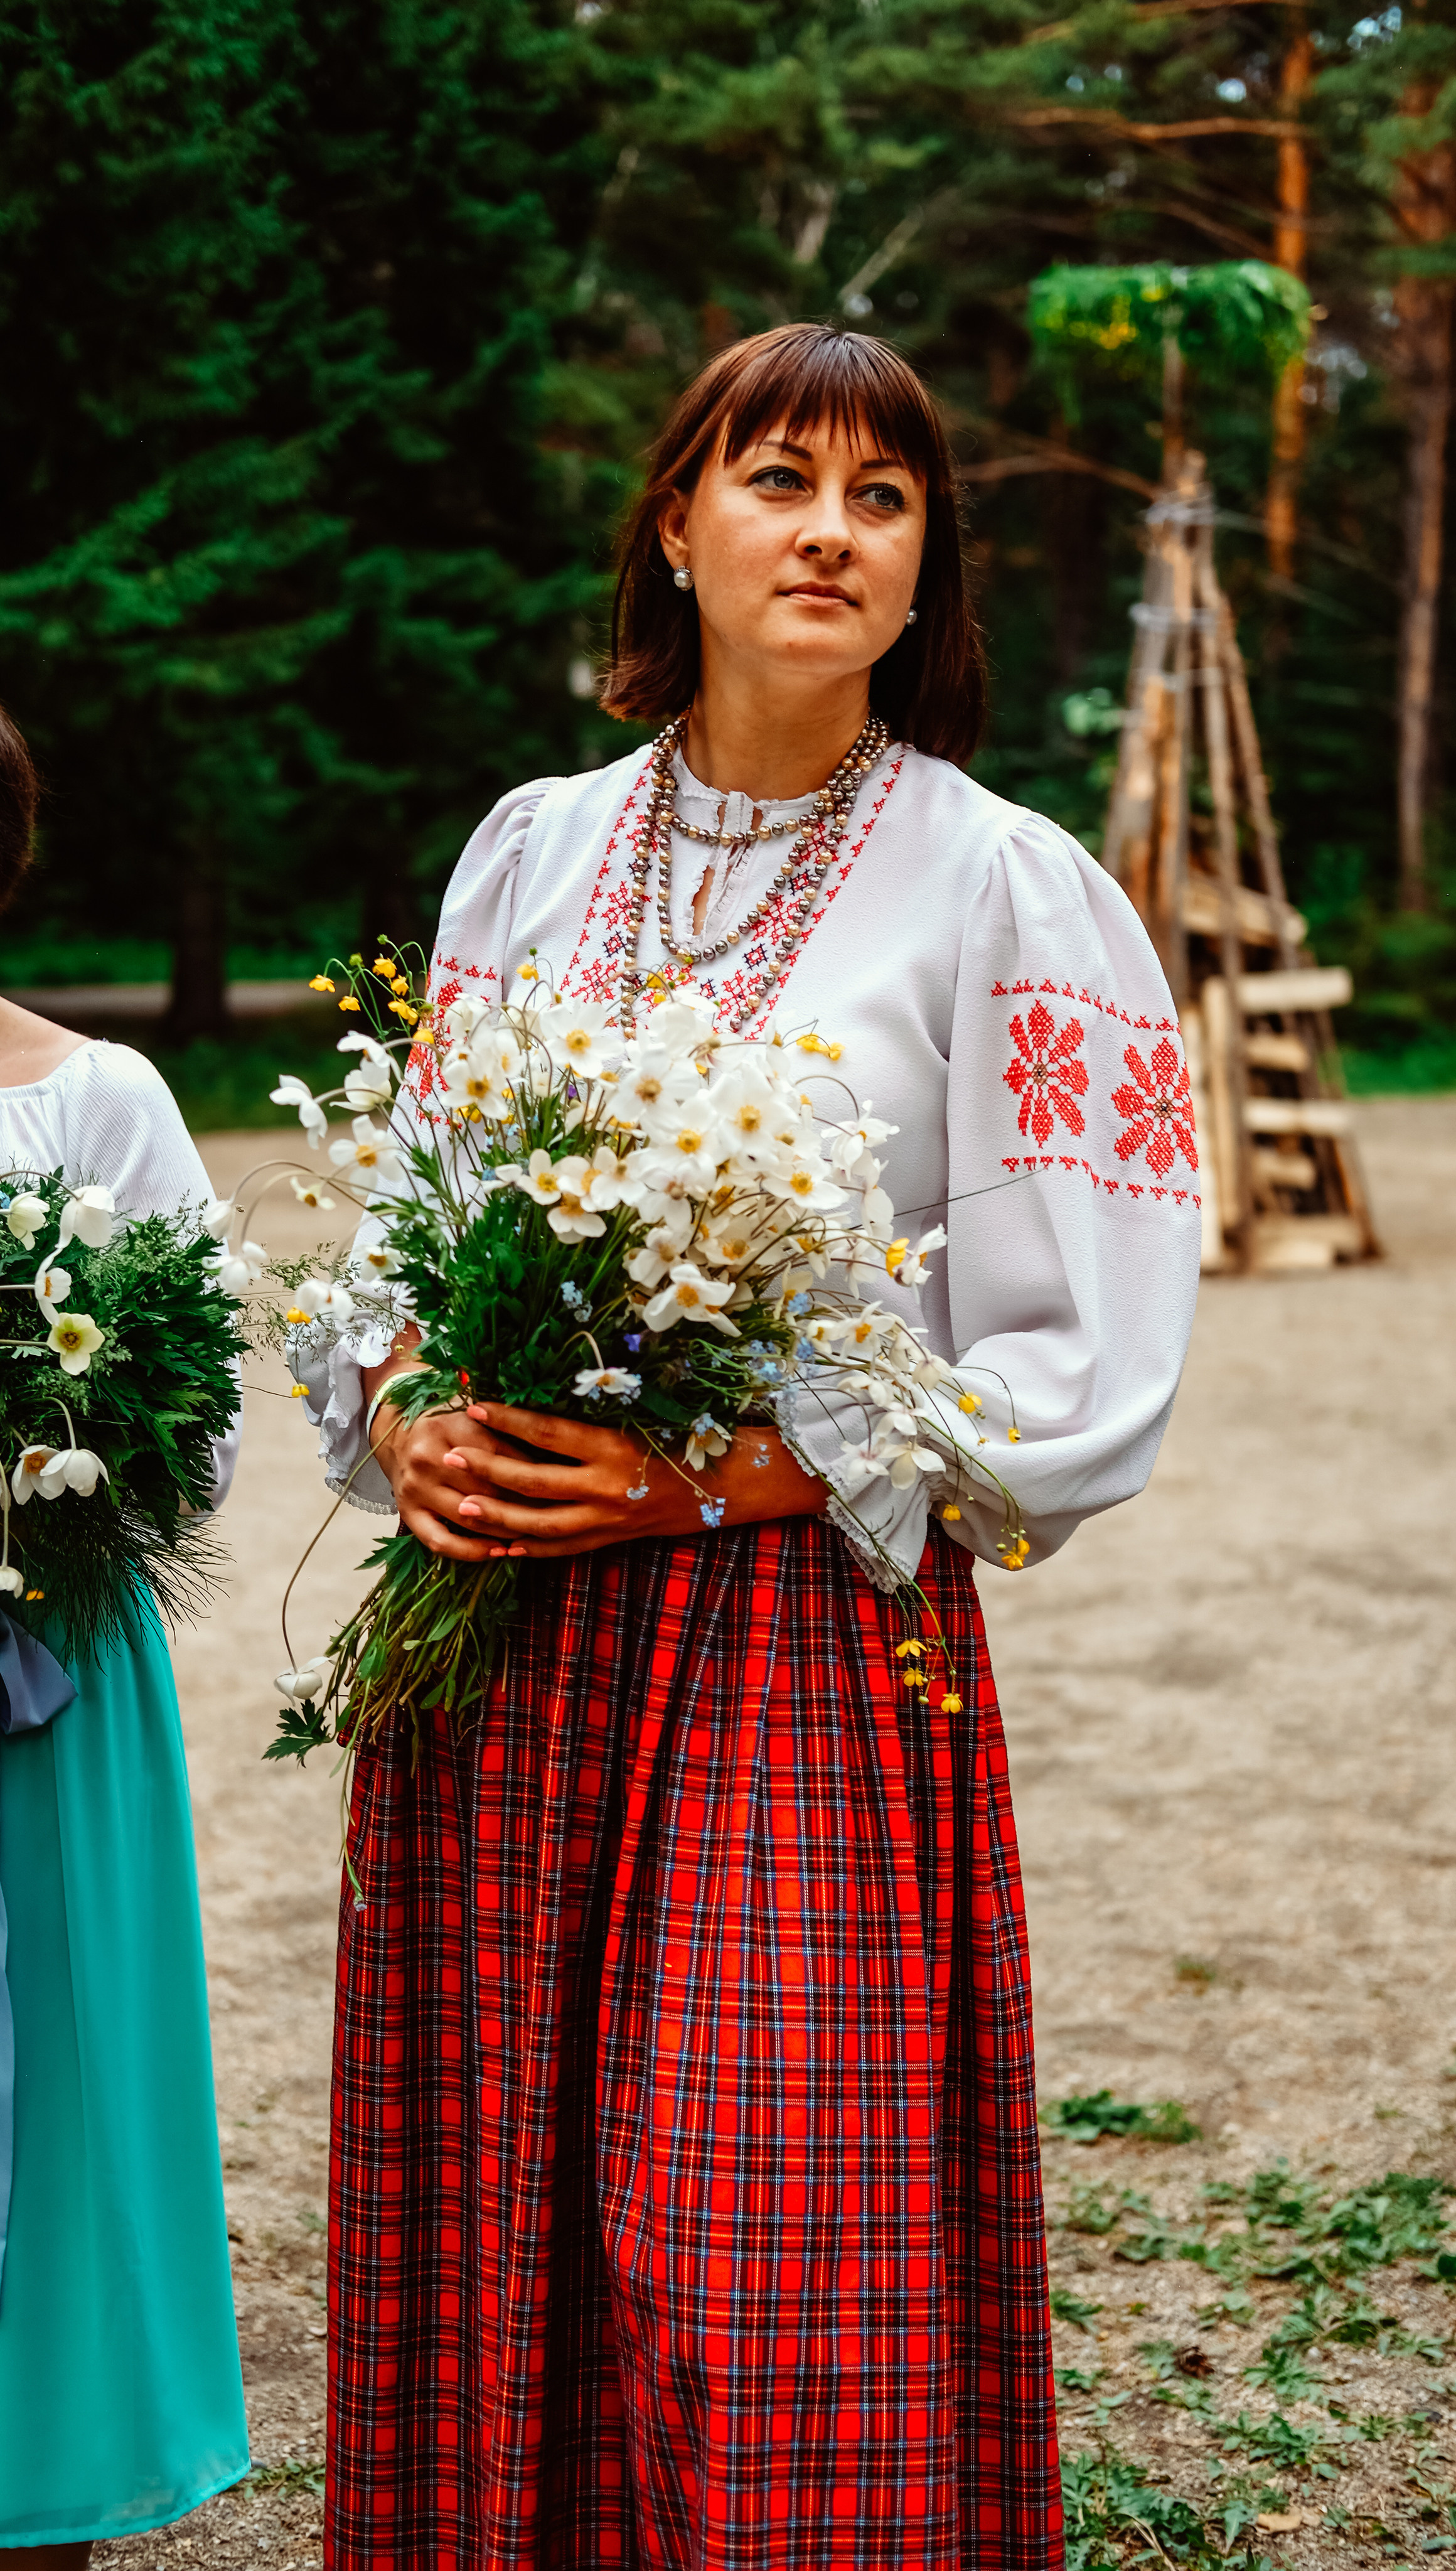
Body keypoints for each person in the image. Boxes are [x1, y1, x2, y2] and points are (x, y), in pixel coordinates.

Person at [309, 323, 1201, 2570]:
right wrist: (409, 1405)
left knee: (759, 2244)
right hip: (500, 1644)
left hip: (796, 1649)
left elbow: (1076, 1356)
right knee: (495, 2207)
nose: (826, 530)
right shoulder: (532, 851)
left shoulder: (1005, 888)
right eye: (778, 479)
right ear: (681, 526)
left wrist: (718, 1477)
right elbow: (414, 1209)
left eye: (881, 499)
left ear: (924, 578)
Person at [0, 705, 249, 2562]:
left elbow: (201, 1436)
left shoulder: (98, 1107)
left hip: (45, 1690)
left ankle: (40, 2494)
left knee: (59, 2128)